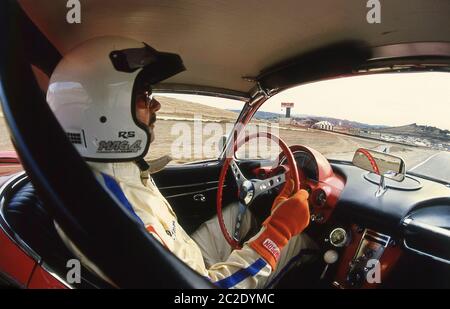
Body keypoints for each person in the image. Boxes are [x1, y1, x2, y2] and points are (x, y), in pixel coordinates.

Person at [47, 36, 315, 288]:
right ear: (107, 110)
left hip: (187, 262)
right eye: (144, 97)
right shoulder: (116, 211)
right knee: (300, 242)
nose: (156, 106)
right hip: (196, 283)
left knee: (241, 214)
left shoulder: (110, 171)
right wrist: (278, 231)